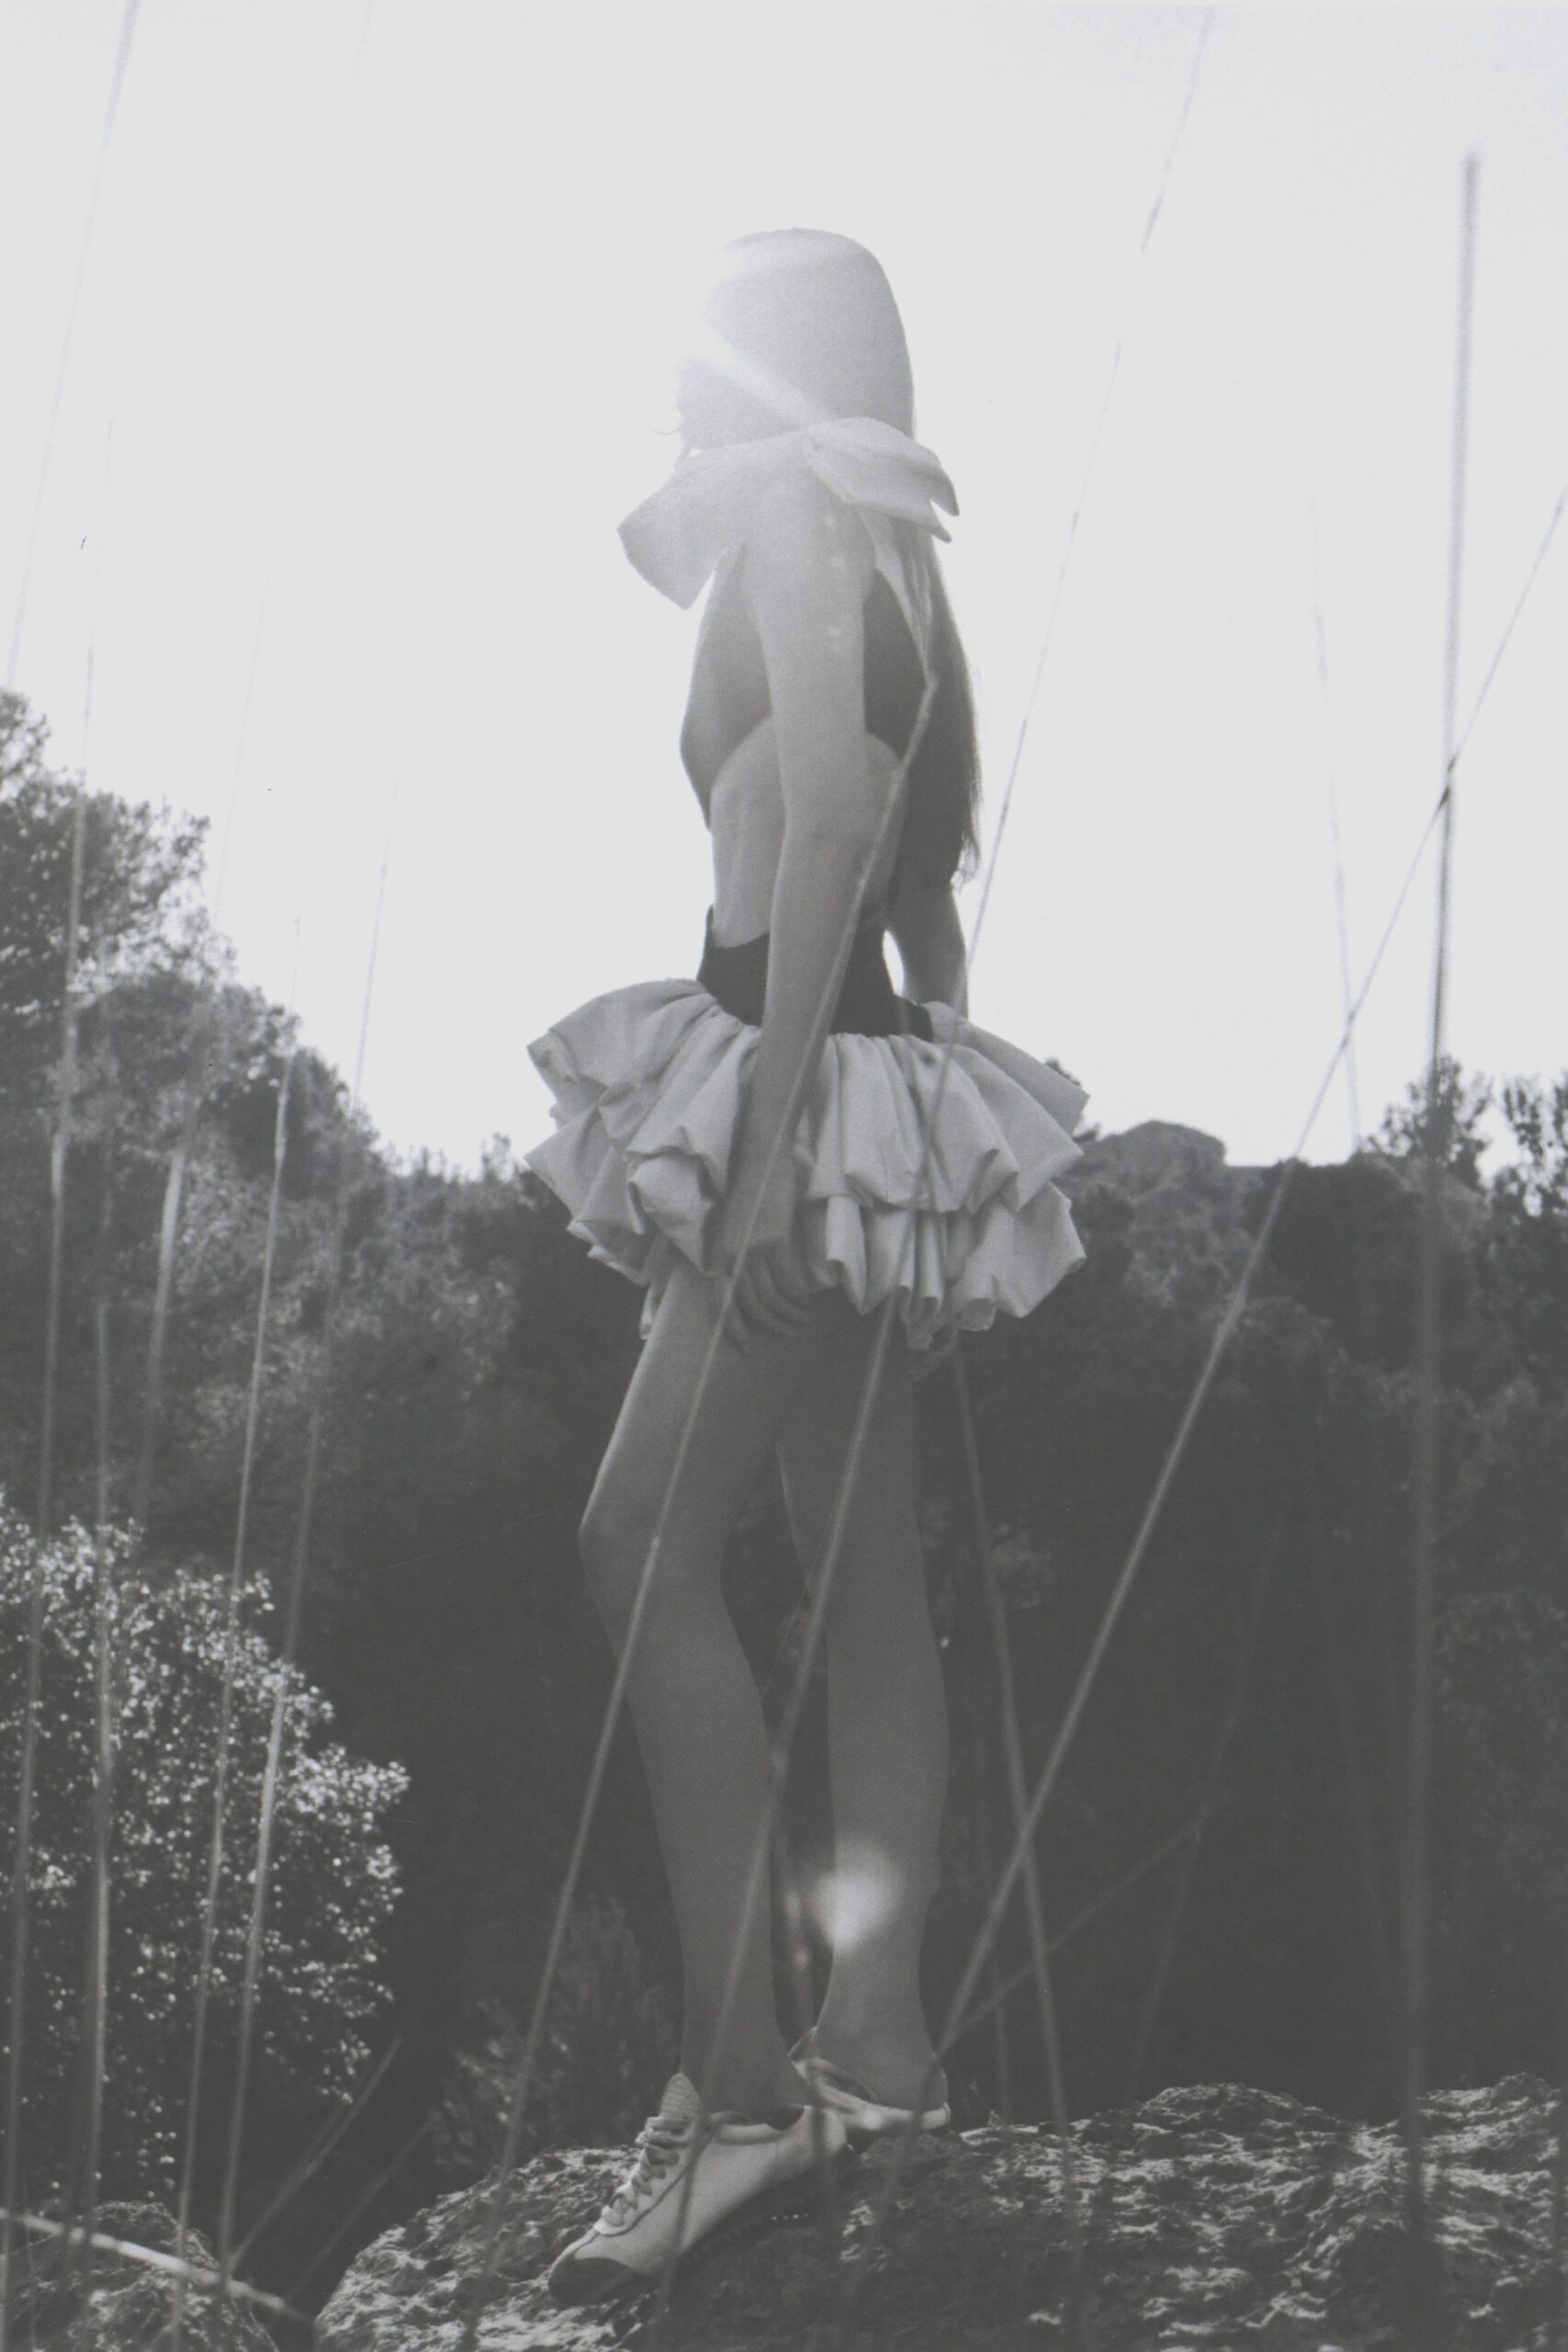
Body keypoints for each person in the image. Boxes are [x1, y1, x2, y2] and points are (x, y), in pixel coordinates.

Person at [525, 228, 1088, 2303]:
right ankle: (875, 2045)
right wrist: (890, 1113)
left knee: (630, 1548)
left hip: (786, 1067)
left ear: (754, 367)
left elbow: (837, 806)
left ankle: (742, 2093)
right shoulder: (892, 527)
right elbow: (915, 849)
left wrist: (772, 1148)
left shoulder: (783, 502)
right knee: (866, 1589)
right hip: (858, 1057)